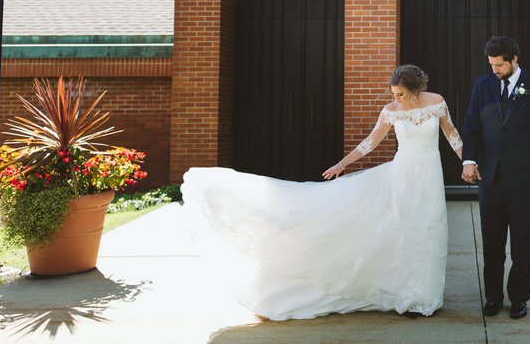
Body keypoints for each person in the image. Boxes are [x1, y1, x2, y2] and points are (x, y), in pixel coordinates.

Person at [181, 64, 463, 320]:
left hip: (429, 175)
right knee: (405, 231)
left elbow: (451, 134)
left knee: (430, 228)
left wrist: (468, 161)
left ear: (415, 90)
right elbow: (371, 141)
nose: (396, 98)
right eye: (394, 94)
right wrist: (342, 164)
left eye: (400, 94)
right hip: (402, 177)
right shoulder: (391, 110)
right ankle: (408, 295)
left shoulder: (436, 103)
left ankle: (427, 296)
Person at [461, 35, 530, 320]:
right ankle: (492, 297)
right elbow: (472, 124)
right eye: (491, 65)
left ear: (514, 59)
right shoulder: (482, 85)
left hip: (524, 179)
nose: (495, 70)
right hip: (489, 178)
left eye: (499, 65)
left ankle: (519, 298)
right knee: (492, 242)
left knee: (523, 243)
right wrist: (469, 160)